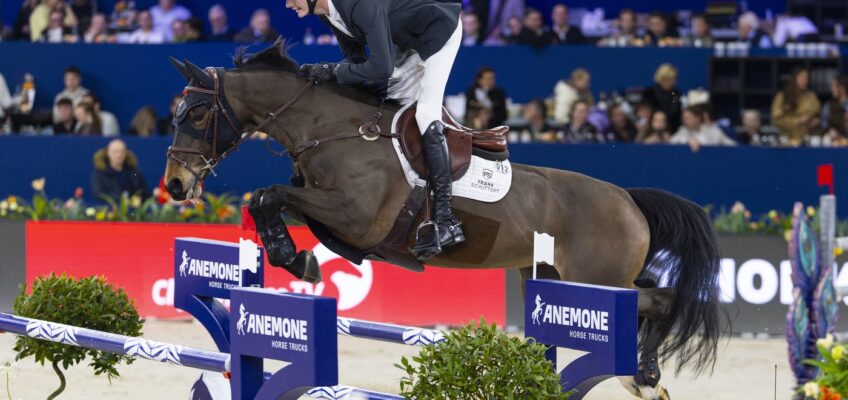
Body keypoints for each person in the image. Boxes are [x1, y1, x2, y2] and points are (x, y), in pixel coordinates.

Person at [284, 0, 464, 259]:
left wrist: (329, 70)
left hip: (439, 31)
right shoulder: (329, 14)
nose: (288, 3)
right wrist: (333, 79)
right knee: (383, 96)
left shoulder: (360, 4)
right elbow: (356, 62)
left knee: (425, 113)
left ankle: (447, 220)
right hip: (409, 40)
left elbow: (381, 68)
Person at [771, 68, 821, 145]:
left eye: (806, 78)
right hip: (787, 138)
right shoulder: (783, 95)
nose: (805, 81)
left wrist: (814, 121)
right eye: (802, 78)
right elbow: (775, 118)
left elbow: (818, 115)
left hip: (807, 138)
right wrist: (797, 121)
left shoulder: (811, 96)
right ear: (794, 79)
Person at [642, 63, 682, 132]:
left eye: (675, 79)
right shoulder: (650, 93)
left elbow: (677, 109)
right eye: (672, 79)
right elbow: (645, 111)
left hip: (673, 128)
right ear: (664, 78)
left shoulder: (675, 93)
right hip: (652, 128)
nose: (674, 82)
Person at [822, 76, 848, 140]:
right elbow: (823, 124)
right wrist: (829, 130)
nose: (832, 88)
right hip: (834, 143)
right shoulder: (828, 106)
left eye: (834, 86)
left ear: (842, 88)